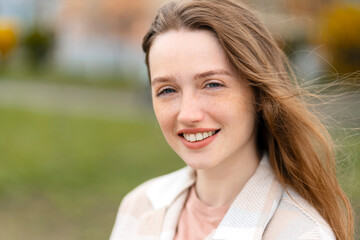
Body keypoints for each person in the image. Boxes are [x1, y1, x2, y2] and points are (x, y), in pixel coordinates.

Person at [110, 0, 354, 239]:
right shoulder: (137, 207)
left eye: (212, 84)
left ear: (259, 93)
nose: (187, 114)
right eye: (167, 90)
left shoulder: (301, 233)